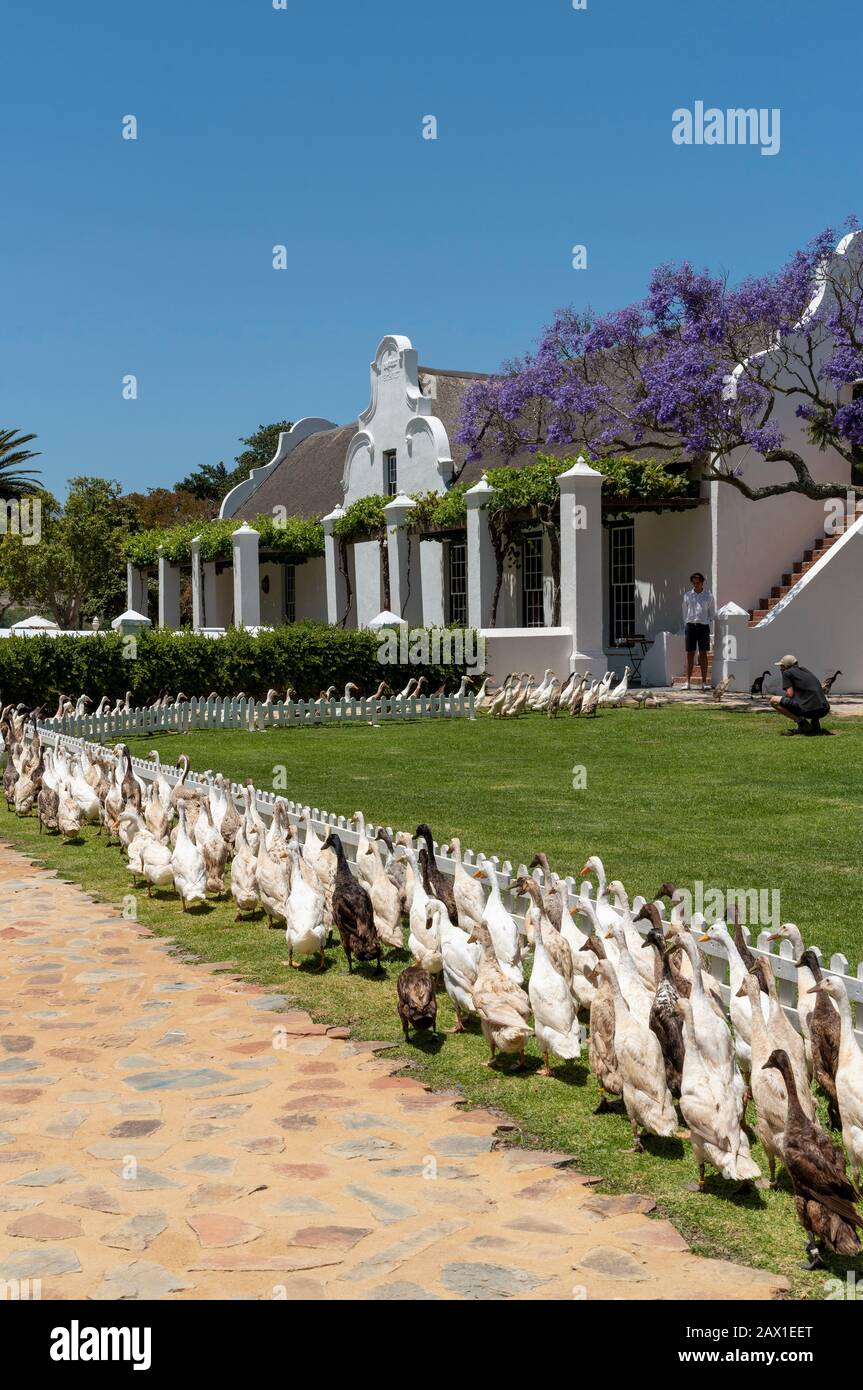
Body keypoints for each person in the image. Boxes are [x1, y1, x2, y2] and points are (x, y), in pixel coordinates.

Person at [769, 654, 831, 735]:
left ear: (785, 666)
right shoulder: (805, 670)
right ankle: (815, 724)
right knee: (808, 697)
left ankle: (802, 724)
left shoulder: (787, 673)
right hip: (824, 709)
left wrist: (785, 702)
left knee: (773, 700)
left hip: (809, 711)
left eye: (781, 666)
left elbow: (790, 694)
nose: (780, 669)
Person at [682, 572, 715, 691]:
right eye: (694, 583)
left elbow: (712, 613)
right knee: (690, 654)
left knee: (703, 654)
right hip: (690, 626)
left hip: (703, 627)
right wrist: (687, 623)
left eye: (698, 582)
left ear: (702, 582)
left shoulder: (709, 596)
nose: (696, 585)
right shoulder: (687, 595)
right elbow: (684, 611)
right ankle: (687, 682)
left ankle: (704, 682)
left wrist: (707, 620)